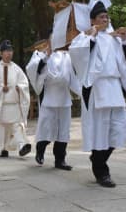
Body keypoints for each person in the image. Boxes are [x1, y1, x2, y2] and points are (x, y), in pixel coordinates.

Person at [69, 0, 126, 187]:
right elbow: (78, 55)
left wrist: (125, 40)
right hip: (98, 87)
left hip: (114, 87)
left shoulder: (114, 38)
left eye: (107, 17)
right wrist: (91, 36)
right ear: (93, 20)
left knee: (120, 126)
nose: (105, 19)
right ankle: (102, 172)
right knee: (100, 130)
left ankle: (98, 158)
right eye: (101, 17)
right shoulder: (85, 37)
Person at [26, 41, 81, 170]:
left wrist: (83, 92)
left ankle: (60, 159)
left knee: (63, 130)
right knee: (46, 126)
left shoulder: (66, 55)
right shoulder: (40, 53)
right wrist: (46, 56)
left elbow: (73, 76)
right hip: (49, 96)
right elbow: (32, 69)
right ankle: (40, 150)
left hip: (64, 96)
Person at [0, 40, 32, 157]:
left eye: (10, 51)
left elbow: (24, 83)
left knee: (17, 126)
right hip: (1, 104)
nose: (9, 53)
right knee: (3, 128)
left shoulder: (16, 68)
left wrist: (19, 87)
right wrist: (0, 89)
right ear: (1, 54)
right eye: (6, 51)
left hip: (14, 104)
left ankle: (22, 146)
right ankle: (4, 148)